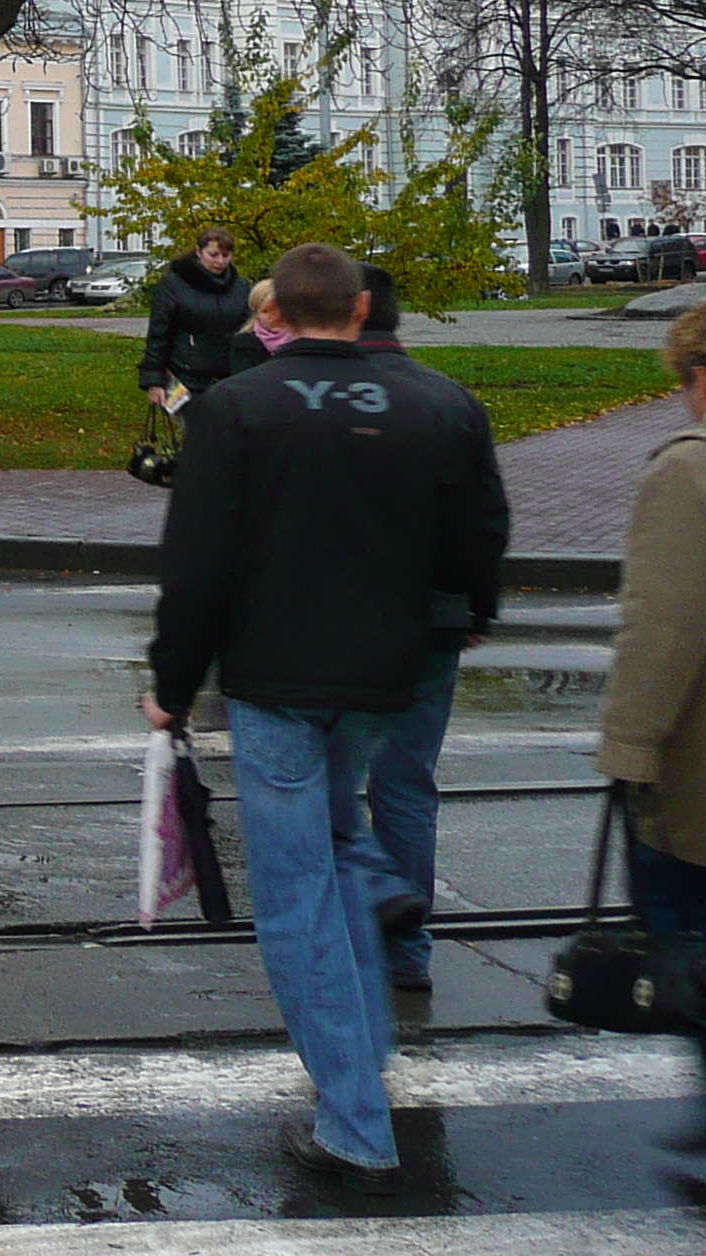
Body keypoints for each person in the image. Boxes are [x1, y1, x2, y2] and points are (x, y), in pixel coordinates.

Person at [146, 242, 506, 1187]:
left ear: (275, 317)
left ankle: (354, 1119)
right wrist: (472, 616)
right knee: (342, 843)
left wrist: (171, 685)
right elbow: (480, 535)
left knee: (297, 891)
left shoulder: (235, 410)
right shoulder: (441, 404)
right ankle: (374, 946)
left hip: (274, 682)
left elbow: (196, 565)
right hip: (383, 673)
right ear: (357, 312)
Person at [336, 264, 491, 994]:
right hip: (434, 620)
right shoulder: (451, 401)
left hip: (343, 626)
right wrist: (475, 607)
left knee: (323, 782)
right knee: (406, 784)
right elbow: (486, 519)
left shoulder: (319, 401)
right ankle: (409, 951)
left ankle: (363, 911)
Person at [601, 298, 706, 1195]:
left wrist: (628, 748)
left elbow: (664, 630)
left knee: (683, 944)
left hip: (697, 776)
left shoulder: (688, 476)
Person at [141, 226, 251, 408]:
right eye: (214, 255)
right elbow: (158, 334)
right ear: (199, 252)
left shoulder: (241, 286)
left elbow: (248, 331)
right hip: (182, 378)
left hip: (229, 378)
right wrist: (154, 381)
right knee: (193, 432)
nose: (220, 261)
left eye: (226, 256)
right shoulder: (173, 284)